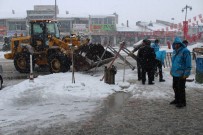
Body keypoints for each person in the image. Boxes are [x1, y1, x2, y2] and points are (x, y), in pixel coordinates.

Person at [170, 37, 192, 108]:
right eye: (175, 44)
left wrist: (186, 73)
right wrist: (171, 70)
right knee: (175, 87)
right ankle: (177, 99)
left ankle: (182, 102)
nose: (176, 45)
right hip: (175, 73)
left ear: (180, 44)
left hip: (182, 74)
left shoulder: (185, 51)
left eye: (177, 44)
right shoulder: (174, 52)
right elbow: (173, 62)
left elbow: (188, 64)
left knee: (181, 88)